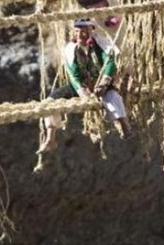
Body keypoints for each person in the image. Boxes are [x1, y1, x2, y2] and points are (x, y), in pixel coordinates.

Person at [35, 18, 132, 161]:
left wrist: (104, 82)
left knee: (112, 97)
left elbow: (110, 63)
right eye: (78, 32)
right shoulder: (71, 50)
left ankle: (124, 124)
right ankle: (50, 137)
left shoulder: (100, 45)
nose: (81, 35)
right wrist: (81, 90)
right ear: (74, 33)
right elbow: (73, 74)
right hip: (80, 86)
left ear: (91, 32)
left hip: (99, 83)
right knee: (50, 102)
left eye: (85, 32)